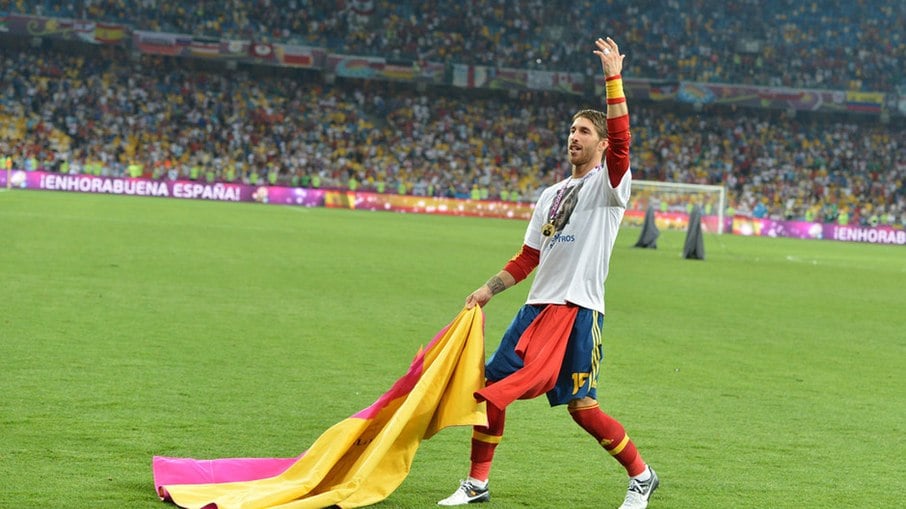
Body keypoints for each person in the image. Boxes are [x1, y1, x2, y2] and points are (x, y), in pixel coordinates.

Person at [437, 37, 659, 509]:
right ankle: (477, 483)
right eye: (571, 129)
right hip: (535, 312)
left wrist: (613, 80)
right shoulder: (549, 194)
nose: (573, 136)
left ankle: (641, 477)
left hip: (579, 312)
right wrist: (488, 289)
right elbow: (528, 258)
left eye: (583, 131)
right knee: (490, 394)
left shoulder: (610, 186)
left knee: (583, 408)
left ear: (599, 144)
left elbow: (623, 141)